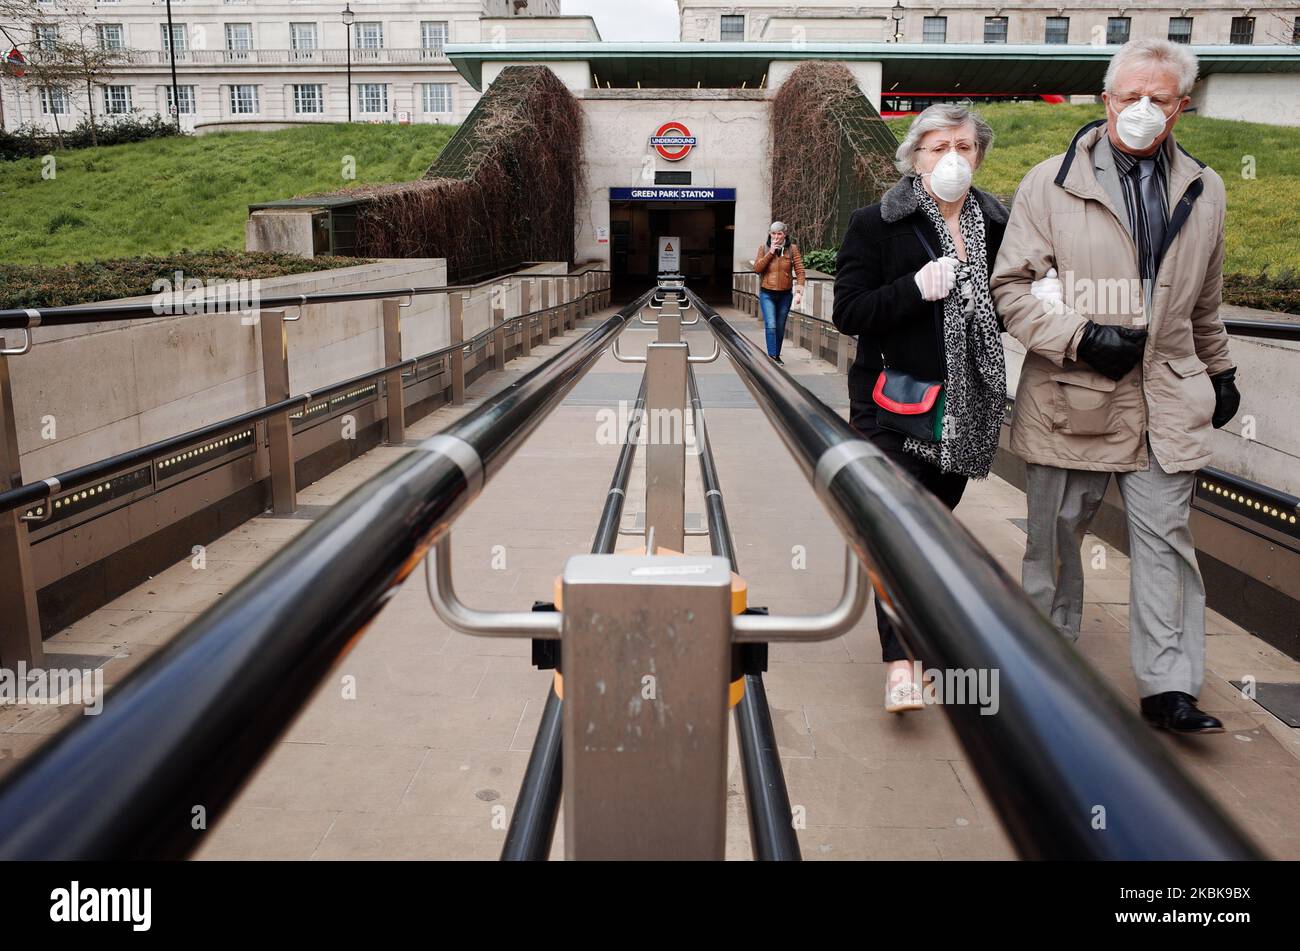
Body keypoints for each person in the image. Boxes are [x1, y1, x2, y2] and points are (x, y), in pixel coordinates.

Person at [990, 39, 1241, 734]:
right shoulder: (1051, 182)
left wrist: (1220, 371)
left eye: (1157, 99)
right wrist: (1081, 336)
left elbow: (1204, 303)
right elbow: (1009, 289)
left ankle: (1169, 688)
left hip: (1167, 399)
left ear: (1181, 108)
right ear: (1105, 100)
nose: (1141, 110)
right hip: (1075, 396)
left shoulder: (1205, 187)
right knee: (1056, 538)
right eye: (1128, 96)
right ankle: (1046, 663)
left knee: (1167, 541)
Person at [832, 102, 1008, 713]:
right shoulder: (877, 223)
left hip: (970, 407)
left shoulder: (997, 221)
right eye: (938, 147)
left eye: (963, 146)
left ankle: (920, 637)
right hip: (894, 403)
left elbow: (1005, 302)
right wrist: (913, 289)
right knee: (900, 530)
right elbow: (849, 311)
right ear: (914, 155)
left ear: (978, 154)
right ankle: (900, 661)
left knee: (933, 529)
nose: (952, 158)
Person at [754, 221, 805, 364]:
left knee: (780, 326)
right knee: (771, 324)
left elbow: (800, 271)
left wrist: (799, 291)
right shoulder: (764, 248)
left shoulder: (792, 249)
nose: (776, 237)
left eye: (779, 234)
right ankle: (772, 357)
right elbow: (757, 269)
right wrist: (770, 253)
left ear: (785, 234)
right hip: (767, 294)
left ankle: (776, 353)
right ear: (770, 234)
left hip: (785, 295)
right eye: (773, 234)